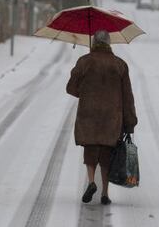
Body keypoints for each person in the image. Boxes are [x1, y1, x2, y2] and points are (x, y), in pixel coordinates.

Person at [66, 30, 137, 205]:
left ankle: (91, 182)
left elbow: (71, 88)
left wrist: (85, 91)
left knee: (90, 151)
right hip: (112, 117)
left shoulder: (84, 62)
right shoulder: (120, 65)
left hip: (88, 114)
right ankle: (105, 193)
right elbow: (127, 97)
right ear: (109, 43)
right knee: (106, 155)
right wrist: (130, 122)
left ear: (94, 42)